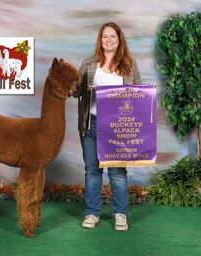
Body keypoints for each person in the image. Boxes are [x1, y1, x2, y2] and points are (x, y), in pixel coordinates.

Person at [74, 22, 141, 231]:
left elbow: (138, 95)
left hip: (118, 127)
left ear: (119, 39)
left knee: (117, 172)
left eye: (112, 36)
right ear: (100, 40)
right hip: (91, 123)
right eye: (105, 36)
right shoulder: (88, 63)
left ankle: (120, 214)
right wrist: (68, 81)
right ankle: (92, 213)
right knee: (92, 170)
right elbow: (76, 92)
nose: (109, 40)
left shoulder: (129, 65)